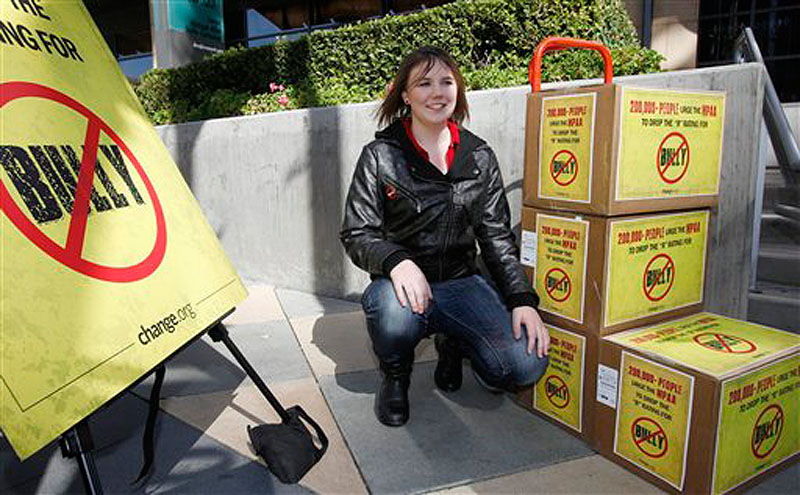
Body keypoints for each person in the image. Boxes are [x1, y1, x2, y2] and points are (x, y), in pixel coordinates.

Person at [340, 46, 549, 427]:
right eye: (424, 83)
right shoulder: (380, 155)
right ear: (405, 95)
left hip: (461, 281)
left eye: (446, 82)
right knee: (391, 316)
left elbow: (497, 236)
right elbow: (357, 231)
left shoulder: (478, 155)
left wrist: (522, 299)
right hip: (402, 288)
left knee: (525, 364)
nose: (437, 92)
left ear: (459, 90)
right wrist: (396, 261)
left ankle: (453, 342)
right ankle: (396, 375)